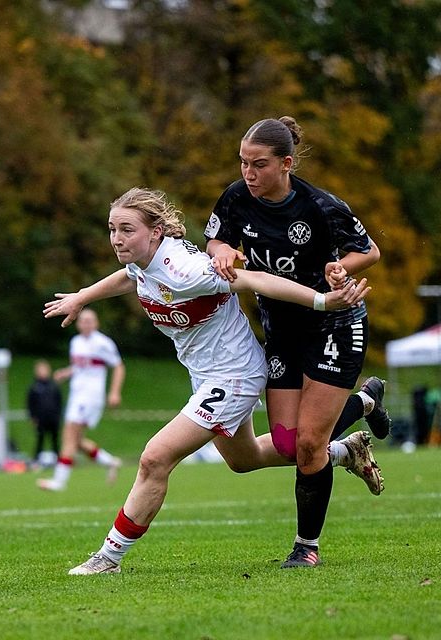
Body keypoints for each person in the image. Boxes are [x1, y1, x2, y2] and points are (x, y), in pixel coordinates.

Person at [44, 187, 379, 575]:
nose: (117, 238)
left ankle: (109, 557)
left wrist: (322, 301)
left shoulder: (185, 270)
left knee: (155, 457)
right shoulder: (144, 261)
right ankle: (346, 447)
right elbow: (129, 277)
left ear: (155, 233)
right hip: (206, 374)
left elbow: (255, 280)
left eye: (127, 229)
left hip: (235, 375)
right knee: (245, 459)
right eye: (112, 229)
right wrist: (82, 297)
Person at [205, 117, 389, 567]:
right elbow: (215, 241)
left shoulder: (321, 207)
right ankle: (365, 403)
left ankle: (306, 548)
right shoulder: (234, 198)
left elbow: (370, 251)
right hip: (281, 330)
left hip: (335, 326)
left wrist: (339, 268)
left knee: (310, 446)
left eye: (259, 165)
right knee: (289, 445)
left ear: (285, 164)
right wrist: (221, 251)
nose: (248, 173)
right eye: (243, 163)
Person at [36, 308, 126, 491]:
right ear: (78, 323)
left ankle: (59, 481)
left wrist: (114, 392)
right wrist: (66, 372)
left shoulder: (103, 343)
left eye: (90, 320)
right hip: (77, 394)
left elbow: (118, 367)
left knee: (68, 435)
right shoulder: (75, 342)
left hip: (90, 395)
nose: (86, 323)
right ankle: (110, 462)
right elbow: (80, 366)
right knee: (76, 440)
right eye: (83, 320)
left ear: (96, 323)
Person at [26, 360, 63, 464]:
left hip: (53, 418)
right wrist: (32, 416)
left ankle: (59, 460)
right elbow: (30, 403)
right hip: (41, 418)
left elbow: (59, 401)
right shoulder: (34, 387)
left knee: (55, 440)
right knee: (40, 440)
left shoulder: (53, 386)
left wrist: (59, 415)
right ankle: (36, 460)